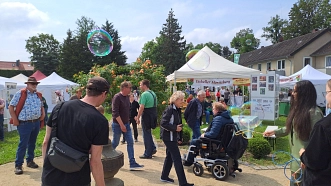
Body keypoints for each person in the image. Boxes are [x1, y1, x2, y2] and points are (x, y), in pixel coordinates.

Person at [41, 77, 110, 186]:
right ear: (104, 93)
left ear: (87, 90)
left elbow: (46, 142)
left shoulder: (59, 107)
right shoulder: (100, 121)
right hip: (77, 178)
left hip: (50, 176)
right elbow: (95, 161)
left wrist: (46, 168)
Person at [264, 80, 323, 186]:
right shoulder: (298, 110)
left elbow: (318, 141)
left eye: (295, 91)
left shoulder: (314, 113)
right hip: (295, 162)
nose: (292, 93)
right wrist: (274, 132)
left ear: (304, 94)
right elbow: (289, 129)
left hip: (306, 164)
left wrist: (308, 157)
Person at [9, 76, 45, 175]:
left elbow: (41, 106)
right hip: (24, 123)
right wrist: (15, 119)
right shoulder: (20, 93)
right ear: (28, 84)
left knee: (32, 143)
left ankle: (30, 161)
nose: (35, 85)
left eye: (36, 84)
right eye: (33, 84)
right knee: (23, 144)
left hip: (36, 122)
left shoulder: (38, 95)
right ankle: (18, 165)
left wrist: (43, 115)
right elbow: (11, 106)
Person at [299, 79, 331, 185]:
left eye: (326, 92)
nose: (325, 97)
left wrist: (304, 155)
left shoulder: (323, 125)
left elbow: (314, 160)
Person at [160, 91, 194, 186]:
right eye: (181, 99)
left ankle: (164, 176)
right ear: (175, 100)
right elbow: (163, 123)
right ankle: (183, 183)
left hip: (173, 137)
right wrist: (175, 128)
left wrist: (180, 136)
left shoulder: (177, 109)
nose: (183, 101)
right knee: (177, 159)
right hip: (168, 138)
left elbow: (179, 124)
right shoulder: (170, 109)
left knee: (170, 157)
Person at [111, 81, 144, 170]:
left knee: (130, 142)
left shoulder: (127, 97)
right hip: (118, 124)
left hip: (126, 123)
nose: (131, 89)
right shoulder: (117, 97)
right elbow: (115, 113)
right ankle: (105, 155)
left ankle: (132, 163)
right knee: (115, 142)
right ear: (124, 88)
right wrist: (122, 125)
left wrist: (132, 118)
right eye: (129, 87)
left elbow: (127, 110)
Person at [136, 79, 157, 159]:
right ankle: (153, 148)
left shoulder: (144, 94)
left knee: (146, 134)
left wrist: (138, 117)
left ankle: (148, 153)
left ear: (144, 85)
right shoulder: (153, 93)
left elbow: (141, 107)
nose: (140, 86)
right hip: (153, 114)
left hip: (147, 115)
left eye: (141, 85)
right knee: (149, 132)